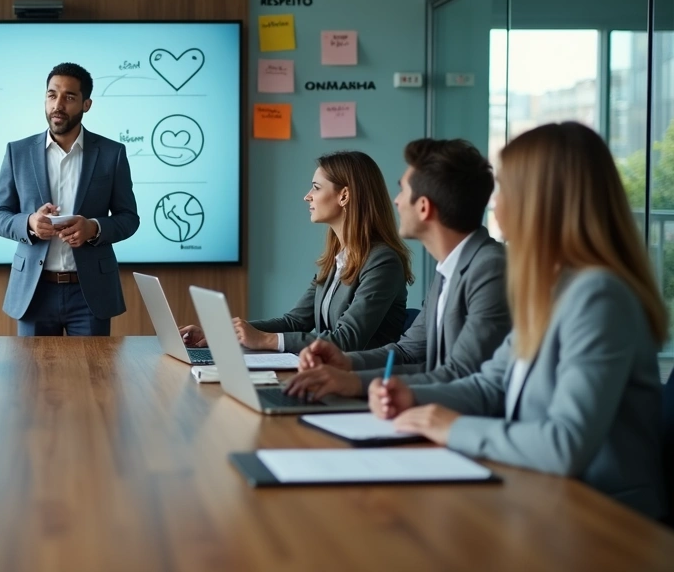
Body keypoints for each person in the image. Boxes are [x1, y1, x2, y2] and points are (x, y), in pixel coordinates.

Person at [371, 122, 667, 520]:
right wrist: (415, 396)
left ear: (541, 199)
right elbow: (491, 385)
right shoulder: (552, 287)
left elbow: (565, 444)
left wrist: (450, 427)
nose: (495, 203)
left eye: (505, 187)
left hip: (605, 521)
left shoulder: (600, 296)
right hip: (541, 500)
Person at [285, 139, 510, 399]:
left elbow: (461, 373)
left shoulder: (489, 268)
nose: (396, 201)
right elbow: (407, 352)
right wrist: (347, 364)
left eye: (403, 191)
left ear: (424, 207)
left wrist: (355, 383)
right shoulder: (449, 269)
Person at [179, 151, 412, 353]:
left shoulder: (382, 262)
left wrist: (266, 340)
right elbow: (295, 322)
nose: (307, 196)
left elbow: (347, 339)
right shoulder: (337, 258)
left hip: (364, 384)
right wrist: (222, 333)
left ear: (344, 196)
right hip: (326, 374)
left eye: (316, 188)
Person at [0, 62, 139, 336]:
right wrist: (30, 223)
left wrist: (94, 228)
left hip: (90, 292)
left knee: (95, 377)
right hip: (34, 291)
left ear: (86, 104)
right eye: (52, 94)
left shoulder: (112, 154)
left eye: (69, 97)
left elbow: (129, 219)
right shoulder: (17, 152)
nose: (58, 104)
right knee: (32, 378)